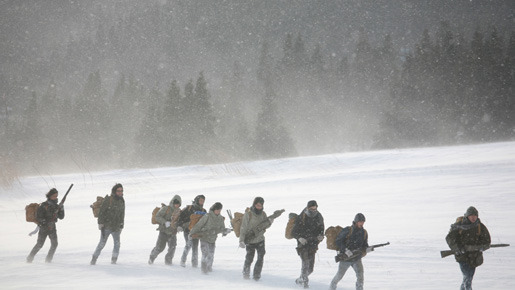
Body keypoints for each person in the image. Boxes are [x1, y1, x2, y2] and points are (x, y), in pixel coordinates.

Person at [446, 206, 491, 290]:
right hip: (462, 256)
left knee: (468, 277)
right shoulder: (459, 226)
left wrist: (481, 247)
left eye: (475, 215)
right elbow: (450, 238)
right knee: (467, 277)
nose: (473, 217)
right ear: (467, 216)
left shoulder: (480, 226)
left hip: (474, 257)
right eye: (471, 215)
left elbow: (487, 240)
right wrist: (457, 248)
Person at [189, 202, 232, 274]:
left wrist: (225, 232)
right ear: (213, 209)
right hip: (204, 237)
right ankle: (204, 270)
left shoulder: (221, 218)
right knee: (205, 254)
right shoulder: (207, 216)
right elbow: (198, 225)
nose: (218, 212)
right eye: (217, 210)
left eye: (220, 210)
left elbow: (222, 229)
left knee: (211, 254)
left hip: (213, 239)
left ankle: (209, 268)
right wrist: (191, 233)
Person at [329, 213, 369, 290]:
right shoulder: (348, 230)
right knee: (339, 276)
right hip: (345, 258)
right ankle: (331, 288)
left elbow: (365, 244)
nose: (362, 223)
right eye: (360, 221)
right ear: (356, 221)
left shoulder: (364, 232)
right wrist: (345, 250)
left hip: (357, 258)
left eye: (363, 222)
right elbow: (338, 241)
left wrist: (366, 249)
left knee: (360, 276)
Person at [291, 200, 325, 288]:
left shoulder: (319, 216)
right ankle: (305, 285)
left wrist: (320, 236)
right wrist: (299, 238)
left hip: (313, 244)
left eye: (315, 208)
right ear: (307, 207)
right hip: (302, 244)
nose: (313, 210)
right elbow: (294, 232)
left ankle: (300, 279)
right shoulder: (301, 216)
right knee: (305, 264)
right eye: (311, 208)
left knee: (310, 269)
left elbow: (321, 228)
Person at [26, 188, 65, 263]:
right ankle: (29, 259)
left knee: (54, 244)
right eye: (54, 196)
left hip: (52, 228)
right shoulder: (44, 205)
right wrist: (45, 223)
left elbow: (61, 217)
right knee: (39, 245)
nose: (56, 197)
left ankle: (48, 260)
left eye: (56, 196)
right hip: (44, 228)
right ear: (49, 196)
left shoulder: (57, 206)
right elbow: (38, 217)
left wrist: (62, 208)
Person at [90, 183, 125, 265]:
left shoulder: (122, 200)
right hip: (106, 227)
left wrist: (121, 225)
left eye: (121, 191)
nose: (120, 192)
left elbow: (122, 214)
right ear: (114, 191)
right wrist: (100, 224)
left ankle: (114, 261)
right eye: (118, 191)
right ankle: (94, 259)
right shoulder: (108, 199)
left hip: (116, 227)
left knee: (117, 244)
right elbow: (102, 212)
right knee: (102, 244)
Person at [239, 197, 273, 281]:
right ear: (254, 204)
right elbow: (243, 227)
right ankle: (246, 274)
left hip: (260, 239)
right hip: (250, 240)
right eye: (258, 205)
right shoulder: (248, 214)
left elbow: (264, 226)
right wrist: (241, 240)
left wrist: (270, 223)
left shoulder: (263, 214)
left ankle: (256, 276)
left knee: (260, 258)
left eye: (261, 205)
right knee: (249, 258)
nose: (259, 207)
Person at [148, 194, 182, 265]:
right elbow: (157, 217)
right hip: (163, 231)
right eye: (175, 203)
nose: (177, 205)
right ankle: (152, 258)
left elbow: (180, 221)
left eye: (178, 204)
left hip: (173, 232)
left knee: (172, 248)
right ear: (172, 202)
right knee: (160, 248)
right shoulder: (166, 208)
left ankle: (168, 262)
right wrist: (165, 222)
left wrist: (179, 227)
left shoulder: (179, 212)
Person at [177, 194, 206, 267]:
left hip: (197, 232)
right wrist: (180, 226)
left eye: (203, 201)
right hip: (187, 230)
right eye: (200, 200)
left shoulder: (203, 211)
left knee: (195, 247)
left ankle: (194, 264)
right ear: (196, 200)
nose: (202, 202)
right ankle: (182, 260)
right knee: (189, 245)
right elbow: (180, 217)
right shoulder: (188, 208)